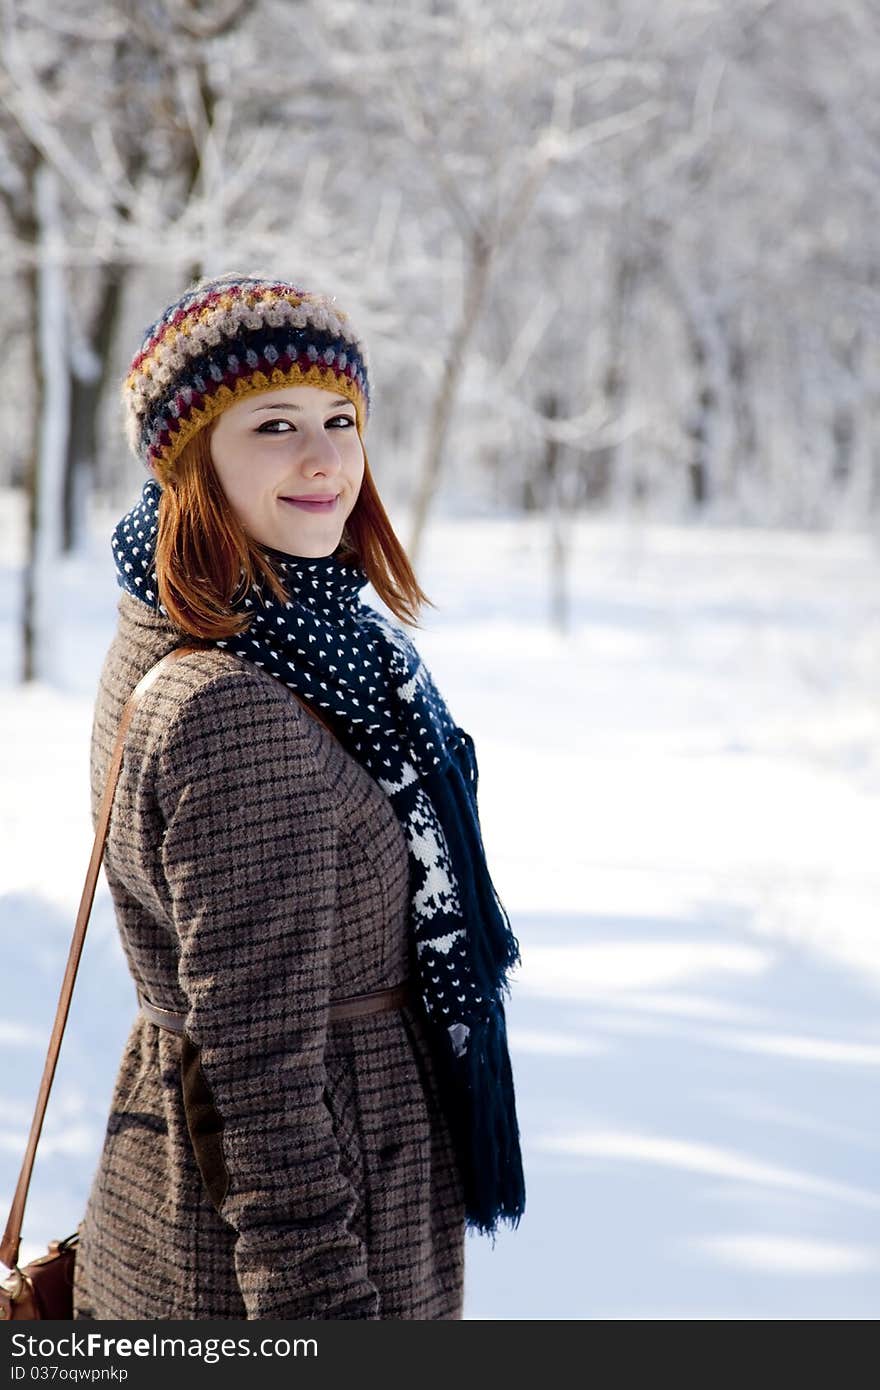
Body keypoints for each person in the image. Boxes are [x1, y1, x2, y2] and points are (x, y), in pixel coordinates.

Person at [72, 272, 525, 1322]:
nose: (324, 458)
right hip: (309, 1213)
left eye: (340, 419)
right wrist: (320, 1306)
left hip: (245, 1181)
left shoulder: (250, 629)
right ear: (192, 461)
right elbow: (261, 1074)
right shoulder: (231, 701)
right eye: (273, 425)